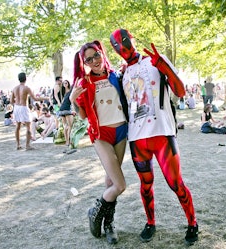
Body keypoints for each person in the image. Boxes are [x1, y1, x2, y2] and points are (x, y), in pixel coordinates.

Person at [110, 29, 198, 245]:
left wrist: (164, 67)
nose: (122, 47)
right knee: (145, 185)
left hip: (162, 134)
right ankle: (150, 223)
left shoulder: (155, 61)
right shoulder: (122, 75)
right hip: (137, 139)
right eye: (116, 45)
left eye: (124, 41)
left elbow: (181, 92)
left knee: (176, 183)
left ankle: (192, 223)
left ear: (132, 39)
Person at [69, 40, 128, 244]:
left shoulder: (116, 76)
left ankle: (109, 224)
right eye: (88, 59)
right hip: (101, 135)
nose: (93, 61)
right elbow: (83, 115)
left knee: (111, 181)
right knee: (120, 185)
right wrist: (74, 102)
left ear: (102, 54)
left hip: (121, 131)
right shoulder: (84, 83)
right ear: (84, 62)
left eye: (96, 55)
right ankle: (95, 212)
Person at [10, 72, 48, 150]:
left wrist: (17, 104)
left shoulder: (14, 88)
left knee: (18, 126)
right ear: (25, 79)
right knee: (28, 127)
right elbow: (35, 98)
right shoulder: (26, 88)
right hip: (24, 107)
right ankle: (27, 145)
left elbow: (11, 101)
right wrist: (45, 98)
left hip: (16, 107)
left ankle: (18, 145)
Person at [58, 80, 76, 153]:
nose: (64, 84)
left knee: (65, 126)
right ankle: (69, 141)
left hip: (62, 109)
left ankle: (67, 142)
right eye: (64, 83)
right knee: (70, 126)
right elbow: (72, 101)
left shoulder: (65, 93)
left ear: (68, 84)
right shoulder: (69, 92)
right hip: (66, 109)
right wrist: (73, 110)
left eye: (66, 83)